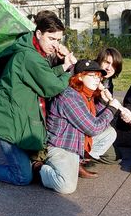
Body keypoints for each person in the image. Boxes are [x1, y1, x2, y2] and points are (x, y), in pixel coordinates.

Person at [0, 10, 77, 186]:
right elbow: (51, 87)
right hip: (6, 122)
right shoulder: (29, 56)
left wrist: (63, 66)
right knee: (22, 177)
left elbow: (43, 74)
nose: (56, 45)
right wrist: (70, 70)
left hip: (15, 118)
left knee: (27, 168)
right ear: (39, 33)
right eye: (52, 39)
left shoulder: (31, 51)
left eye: (58, 40)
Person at [38, 59, 122, 194]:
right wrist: (111, 108)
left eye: (99, 77)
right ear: (80, 76)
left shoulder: (86, 93)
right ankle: (39, 169)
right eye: (92, 76)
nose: (97, 80)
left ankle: (78, 161)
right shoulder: (70, 96)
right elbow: (93, 128)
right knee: (66, 187)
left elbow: (98, 119)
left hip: (76, 141)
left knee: (109, 133)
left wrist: (105, 100)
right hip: (61, 146)